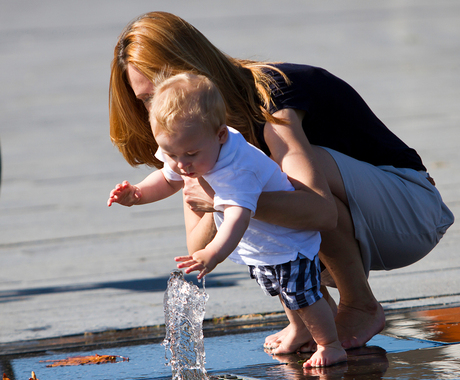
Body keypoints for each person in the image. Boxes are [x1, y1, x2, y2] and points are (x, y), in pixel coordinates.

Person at [108, 11, 454, 352]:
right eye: (146, 100)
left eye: (162, 90)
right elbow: (197, 245)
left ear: (195, 70)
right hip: (359, 230)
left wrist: (227, 199)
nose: (159, 107)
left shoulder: (274, 97)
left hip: (411, 215)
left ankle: (360, 304)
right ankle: (308, 321)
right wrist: (204, 188)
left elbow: (321, 213)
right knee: (256, 224)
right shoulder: (196, 145)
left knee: (299, 175)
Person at [108, 73, 347, 367]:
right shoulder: (190, 147)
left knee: (304, 299)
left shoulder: (237, 168)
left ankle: (330, 344)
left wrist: (214, 252)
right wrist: (138, 193)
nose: (182, 164)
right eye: (172, 153)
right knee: (283, 293)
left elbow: (237, 215)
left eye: (190, 155)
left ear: (221, 135)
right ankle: (299, 330)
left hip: (288, 241)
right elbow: (168, 179)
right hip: (264, 246)